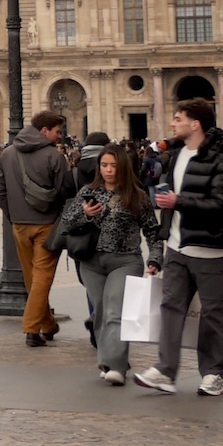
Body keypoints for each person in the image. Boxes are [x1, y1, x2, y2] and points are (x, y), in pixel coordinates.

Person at [133, 99, 223, 396]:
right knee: (170, 308)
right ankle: (165, 371)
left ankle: (214, 373)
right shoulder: (177, 156)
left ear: (195, 124)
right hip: (177, 247)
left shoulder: (221, 161)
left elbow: (222, 204)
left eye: (178, 119)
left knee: (212, 313)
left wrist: (179, 202)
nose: (172, 123)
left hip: (210, 249)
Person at [62, 145, 162, 385]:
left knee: (115, 311)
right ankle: (112, 358)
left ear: (123, 167)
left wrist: (155, 258)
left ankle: (114, 365)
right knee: (100, 312)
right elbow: (67, 223)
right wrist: (85, 214)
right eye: (104, 165)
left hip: (125, 260)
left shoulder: (137, 196)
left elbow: (152, 231)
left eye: (113, 165)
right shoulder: (88, 191)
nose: (108, 170)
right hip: (91, 261)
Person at [0, 110, 74, 347]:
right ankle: (32, 329)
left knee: (32, 277)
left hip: (19, 224)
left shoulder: (7, 153)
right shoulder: (54, 156)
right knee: (42, 276)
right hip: (46, 224)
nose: (60, 136)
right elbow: (65, 191)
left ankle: (48, 324)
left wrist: (12, 214)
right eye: (57, 131)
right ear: (44, 131)